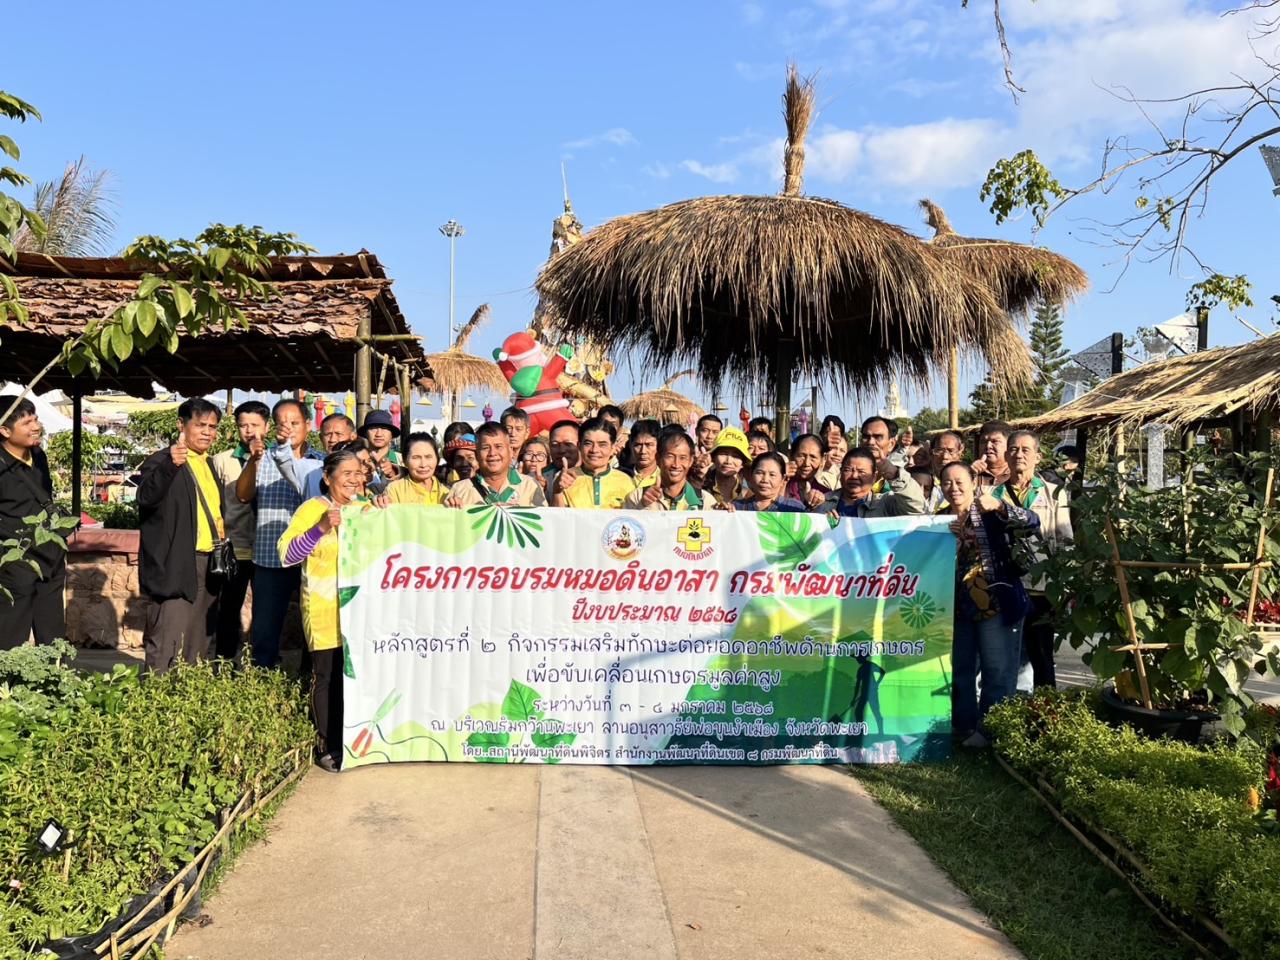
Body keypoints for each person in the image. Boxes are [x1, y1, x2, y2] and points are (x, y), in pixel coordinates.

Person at [278, 448, 377, 771]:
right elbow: (287, 555)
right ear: (327, 477)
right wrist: (319, 528)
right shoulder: (312, 509)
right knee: (327, 677)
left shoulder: (366, 509)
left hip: (362, 612)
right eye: (346, 474)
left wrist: (385, 511)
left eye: (358, 473)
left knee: (359, 678)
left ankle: (358, 741)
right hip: (324, 611)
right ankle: (328, 744)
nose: (354, 479)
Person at [939, 461, 1038, 747]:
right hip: (957, 608)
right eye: (947, 482)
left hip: (997, 605)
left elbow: (1032, 522)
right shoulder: (938, 520)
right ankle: (962, 726)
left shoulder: (989, 509)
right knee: (960, 670)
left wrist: (1000, 506)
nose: (954, 488)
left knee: (998, 670)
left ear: (973, 482)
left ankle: (991, 731)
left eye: (960, 482)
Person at [136, 398, 225, 673]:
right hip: (176, 564)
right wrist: (170, 465)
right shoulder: (163, 459)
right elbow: (145, 497)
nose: (207, 432)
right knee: (168, 641)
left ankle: (189, 694)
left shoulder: (208, 464)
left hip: (208, 563)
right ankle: (157, 694)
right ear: (181, 425)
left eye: (212, 427)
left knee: (198, 643)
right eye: (200, 425)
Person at [237, 398, 324, 669]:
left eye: (294, 423)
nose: (288, 428)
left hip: (314, 557)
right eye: (282, 423)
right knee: (265, 628)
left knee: (317, 626)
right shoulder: (263, 457)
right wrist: (253, 461)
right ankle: (263, 677)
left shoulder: (322, 463)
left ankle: (311, 680)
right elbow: (243, 495)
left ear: (308, 425)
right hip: (271, 556)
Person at [990, 430, 1073, 690]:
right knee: (1005, 656)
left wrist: (1065, 584)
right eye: (1014, 449)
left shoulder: (1053, 493)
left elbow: (1065, 537)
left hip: (1041, 587)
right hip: (1006, 585)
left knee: (1041, 655)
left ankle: (1045, 706)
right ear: (1006, 455)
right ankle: (1005, 706)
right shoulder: (993, 495)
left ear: (1038, 456)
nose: (1019, 455)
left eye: (1026, 450)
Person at [0, 395, 64, 647]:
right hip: (16, 557)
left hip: (49, 554)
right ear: (4, 430)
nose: (36, 426)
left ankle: (55, 670)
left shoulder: (38, 456)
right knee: (11, 632)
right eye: (27, 422)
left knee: (53, 632)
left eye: (35, 419)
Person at [210, 400, 270, 660]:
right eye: (243, 425)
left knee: (266, 609)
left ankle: (263, 662)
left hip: (268, 549)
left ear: (267, 427)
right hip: (236, 547)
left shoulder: (277, 460)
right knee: (229, 608)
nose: (249, 431)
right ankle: (224, 661)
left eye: (255, 425)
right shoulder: (221, 461)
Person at [445, 422, 547, 507]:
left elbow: (543, 522)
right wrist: (451, 510)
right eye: (485, 448)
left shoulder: (530, 486)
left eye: (498, 447)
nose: (492, 453)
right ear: (477, 454)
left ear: (510, 451)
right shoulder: (460, 489)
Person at [819, 447, 925, 519]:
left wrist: (893, 473)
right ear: (840, 472)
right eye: (848, 470)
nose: (854, 476)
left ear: (874, 477)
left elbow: (916, 506)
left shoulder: (884, 504)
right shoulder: (822, 502)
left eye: (861, 472)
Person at [551, 417, 634, 508]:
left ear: (612, 448)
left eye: (602, 445)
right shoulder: (565, 478)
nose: (594, 450)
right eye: (588, 443)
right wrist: (557, 492)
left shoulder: (626, 481)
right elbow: (557, 516)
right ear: (579, 446)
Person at [623, 431, 704, 510]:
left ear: (691, 461)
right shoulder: (637, 497)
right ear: (658, 458)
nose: (676, 465)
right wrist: (642, 506)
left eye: (682, 458)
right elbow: (628, 518)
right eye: (670, 456)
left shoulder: (705, 501)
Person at [725, 452, 806, 512]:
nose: (765, 480)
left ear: (783, 479)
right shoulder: (737, 508)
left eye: (772, 475)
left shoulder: (794, 508)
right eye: (760, 473)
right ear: (751, 476)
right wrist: (723, 512)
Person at [303, 413, 358, 499]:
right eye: (328, 434)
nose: (332, 440)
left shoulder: (366, 470)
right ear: (321, 438)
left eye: (338, 434)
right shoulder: (310, 470)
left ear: (353, 437)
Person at [386, 433, 447, 505]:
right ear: (405, 461)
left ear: (437, 459)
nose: (423, 465)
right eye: (416, 458)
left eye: (428, 457)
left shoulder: (447, 494)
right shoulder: (394, 491)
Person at [702, 427, 752, 506]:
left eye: (735, 456)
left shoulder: (749, 496)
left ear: (743, 463)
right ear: (713, 458)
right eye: (723, 454)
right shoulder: (699, 487)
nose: (728, 461)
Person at [784, 433, 829, 508]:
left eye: (813, 457)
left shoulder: (826, 494)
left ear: (823, 460)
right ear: (791, 456)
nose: (806, 463)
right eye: (801, 456)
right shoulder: (779, 486)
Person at [359, 410, 402, 488]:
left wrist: (393, 471)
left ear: (392, 434)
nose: (378, 434)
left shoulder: (402, 460)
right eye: (373, 428)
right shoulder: (355, 460)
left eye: (384, 429)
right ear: (365, 433)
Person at [973, 420, 1013, 492]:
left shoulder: (1018, 474)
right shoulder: (970, 475)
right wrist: (969, 475)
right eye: (983, 442)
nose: (988, 446)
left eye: (995, 441)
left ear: (1009, 444)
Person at [625, 419, 661, 493]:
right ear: (630, 445)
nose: (643, 451)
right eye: (638, 445)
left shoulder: (666, 478)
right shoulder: (620, 476)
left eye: (649, 445)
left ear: (659, 445)